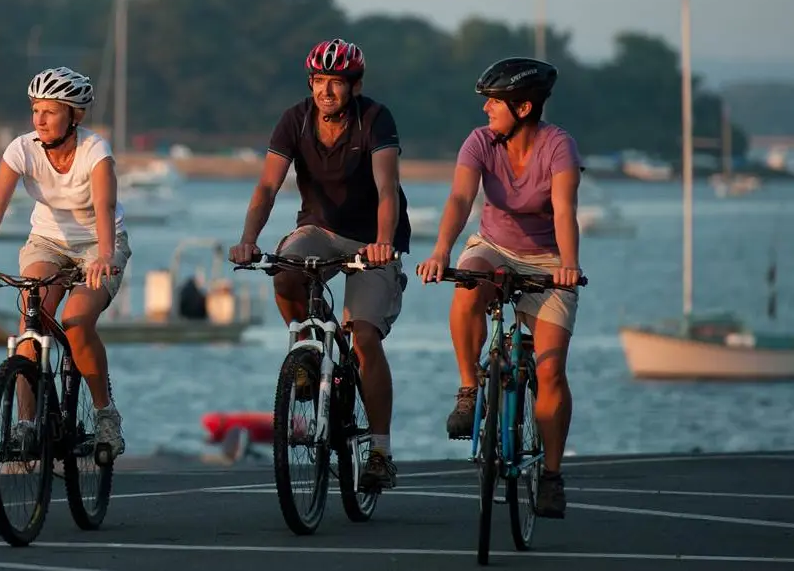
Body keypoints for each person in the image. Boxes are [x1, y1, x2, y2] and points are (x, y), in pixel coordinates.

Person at [229, 38, 411, 491]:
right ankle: (310, 354)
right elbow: (267, 188)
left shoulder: (375, 119)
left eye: (336, 82)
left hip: (373, 238)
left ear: (354, 86)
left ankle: (381, 451)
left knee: (364, 335)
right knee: (285, 272)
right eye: (319, 81)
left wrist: (384, 243)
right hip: (320, 230)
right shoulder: (295, 119)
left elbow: (387, 189)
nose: (326, 91)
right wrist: (248, 241)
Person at [416, 57, 583, 518]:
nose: (487, 110)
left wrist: (568, 266)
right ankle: (469, 390)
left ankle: (550, 475)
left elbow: (565, 210)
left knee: (549, 372)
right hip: (492, 246)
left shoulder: (559, 147)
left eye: (495, 102)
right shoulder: (479, 142)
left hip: (549, 257)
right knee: (468, 287)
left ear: (523, 107)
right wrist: (441, 251)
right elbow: (459, 198)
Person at [0, 66, 131, 460]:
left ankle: (105, 417)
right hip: (47, 243)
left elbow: (105, 205)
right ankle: (27, 426)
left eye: (50, 111)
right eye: (35, 110)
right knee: (32, 317)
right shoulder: (22, 149)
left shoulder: (95, 152)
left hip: (99, 244)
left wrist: (103, 254)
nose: (39, 119)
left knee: (77, 322)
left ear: (74, 115)